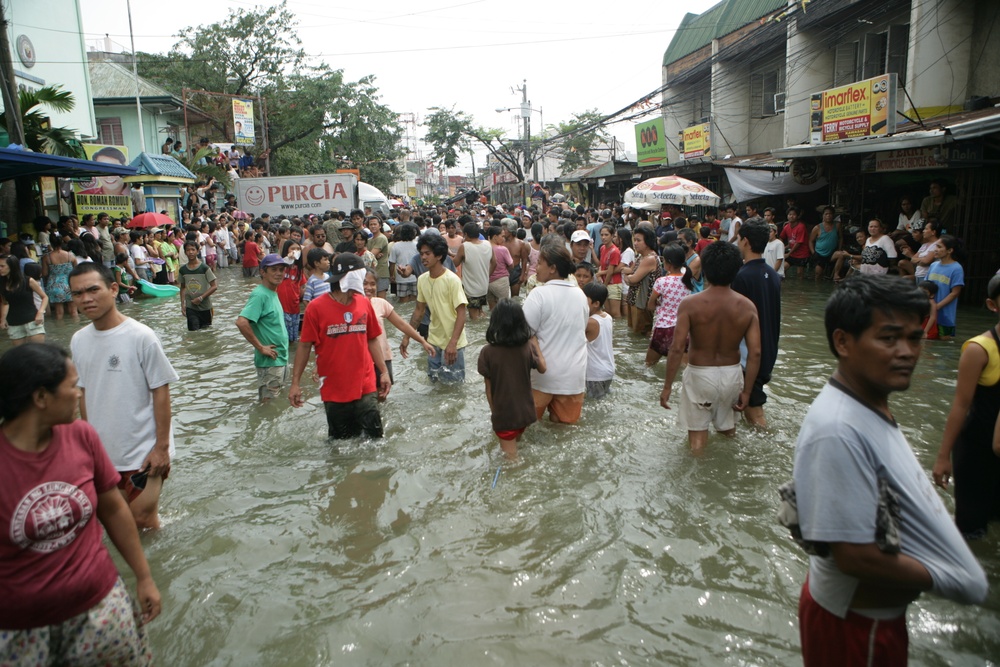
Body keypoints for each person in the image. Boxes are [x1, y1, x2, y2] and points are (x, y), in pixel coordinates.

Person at [788, 275, 987, 666]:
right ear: (843, 342)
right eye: (889, 338)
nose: (907, 351)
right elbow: (854, 557)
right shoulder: (837, 430)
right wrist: (953, 578)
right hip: (854, 626)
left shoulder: (870, 400)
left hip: (871, 619)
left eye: (914, 338)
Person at [0, 344, 161, 665]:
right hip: (19, 630)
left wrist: (143, 576)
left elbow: (114, 508)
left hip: (100, 609)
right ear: (40, 397)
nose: (79, 395)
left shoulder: (81, 437)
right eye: (72, 387)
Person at [69, 263, 178, 531]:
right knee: (120, 521)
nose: (86, 298)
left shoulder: (141, 336)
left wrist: (161, 448)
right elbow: (83, 393)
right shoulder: (78, 340)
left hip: (144, 449)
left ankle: (157, 568)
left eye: (93, 290)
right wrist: (87, 444)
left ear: (114, 288)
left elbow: (161, 391)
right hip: (105, 451)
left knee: (140, 518)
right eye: (78, 293)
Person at [660, 242, 760, 454]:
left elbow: (677, 348)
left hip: (700, 376)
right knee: (728, 434)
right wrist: (748, 391)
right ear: (736, 269)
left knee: (697, 441)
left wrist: (667, 386)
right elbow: (755, 353)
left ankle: (697, 483)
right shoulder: (747, 306)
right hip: (732, 375)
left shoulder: (690, 304)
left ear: (705, 268)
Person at [289, 254, 391, 438]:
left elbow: (372, 339)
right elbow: (304, 347)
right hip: (334, 388)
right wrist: (295, 383)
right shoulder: (316, 308)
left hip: (365, 383)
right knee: (340, 443)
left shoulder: (363, 303)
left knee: (375, 439)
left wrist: (383, 372)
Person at [932, 273, 1000, 539]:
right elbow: (960, 406)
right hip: (976, 452)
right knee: (972, 529)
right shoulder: (979, 349)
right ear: (992, 305)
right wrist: (942, 457)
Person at [523, 241, 589, 424]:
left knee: (528, 428)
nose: (536, 267)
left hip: (543, 376)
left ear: (552, 268)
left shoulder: (539, 294)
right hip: (573, 375)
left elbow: (524, 333)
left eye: (540, 263)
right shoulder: (580, 295)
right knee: (564, 433)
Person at [478, 298, 547, 459]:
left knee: (511, 460)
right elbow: (543, 369)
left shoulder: (487, 352)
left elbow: (489, 390)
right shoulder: (527, 347)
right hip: (526, 413)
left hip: (505, 416)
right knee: (518, 447)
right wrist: (534, 342)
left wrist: (496, 415)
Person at [732, 223, 782, 427]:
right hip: (769, 350)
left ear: (745, 241)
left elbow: (736, 322)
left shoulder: (742, 276)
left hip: (750, 355)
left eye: (739, 238)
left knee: (754, 413)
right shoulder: (773, 275)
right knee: (749, 407)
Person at [405, 233, 468, 384]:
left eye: (428, 253)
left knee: (453, 389)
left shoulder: (452, 280)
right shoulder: (422, 280)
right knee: (434, 384)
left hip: (453, 344)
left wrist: (453, 343)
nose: (423, 258)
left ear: (439, 255)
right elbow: (419, 311)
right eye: (421, 254)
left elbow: (461, 313)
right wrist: (407, 337)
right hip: (433, 342)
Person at [362, 269, 434, 385]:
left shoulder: (381, 303)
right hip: (362, 360)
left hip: (383, 357)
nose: (369, 288)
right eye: (364, 283)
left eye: (372, 284)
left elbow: (402, 324)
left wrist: (422, 341)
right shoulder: (352, 308)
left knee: (382, 395)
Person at [236, 254, 290, 402]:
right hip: (269, 363)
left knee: (276, 405)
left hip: (280, 360)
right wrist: (260, 347)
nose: (279, 273)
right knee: (268, 406)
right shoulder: (260, 295)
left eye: (281, 269)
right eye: (274, 270)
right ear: (263, 272)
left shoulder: (272, 292)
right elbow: (241, 322)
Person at [646, 243, 693, 367]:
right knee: (684, 369)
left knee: (648, 366)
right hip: (683, 329)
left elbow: (650, 306)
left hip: (663, 328)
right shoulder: (688, 279)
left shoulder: (661, 282)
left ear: (667, 263)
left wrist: (658, 304)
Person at [622, 226, 662, 336]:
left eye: (638, 240)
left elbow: (633, 279)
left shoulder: (649, 258)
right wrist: (629, 276)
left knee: (640, 335)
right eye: (634, 240)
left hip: (642, 304)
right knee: (635, 334)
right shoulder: (641, 257)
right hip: (635, 300)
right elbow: (631, 276)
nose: (635, 243)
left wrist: (628, 275)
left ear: (648, 241)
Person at [0, 254, 48, 345]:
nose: (0, 268)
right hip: (13, 323)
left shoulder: (28, 281)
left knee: (39, 352)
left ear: (12, 266)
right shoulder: (2, 284)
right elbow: (5, 303)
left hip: (32, 320)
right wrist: (3, 319)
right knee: (20, 355)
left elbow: (45, 297)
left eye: (2, 266)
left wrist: (40, 312)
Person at [926, 235, 964, 341]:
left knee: (944, 342)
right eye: (935, 246)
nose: (935, 250)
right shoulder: (933, 265)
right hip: (928, 314)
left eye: (939, 247)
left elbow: (955, 293)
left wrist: (937, 307)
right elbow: (925, 287)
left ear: (949, 250)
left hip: (945, 315)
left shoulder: (956, 268)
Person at [454, 221, 494, 320]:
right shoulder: (487, 244)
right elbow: (494, 262)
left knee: (474, 318)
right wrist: (487, 275)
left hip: (471, 289)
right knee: (480, 311)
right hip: (484, 286)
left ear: (466, 234)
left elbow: (454, 263)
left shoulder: (464, 247)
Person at [583, 282, 615, 399]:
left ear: (596, 303)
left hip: (594, 374)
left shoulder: (590, 323)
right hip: (607, 370)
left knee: (593, 405)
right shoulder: (607, 317)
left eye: (584, 300)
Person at [179, 241, 218, 331]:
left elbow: (214, 286)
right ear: (185, 252)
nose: (190, 252)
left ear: (197, 251)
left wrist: (201, 298)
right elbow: (183, 287)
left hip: (205, 306)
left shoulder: (204, 268)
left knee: (206, 332)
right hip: (190, 306)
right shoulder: (183, 270)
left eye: (193, 249)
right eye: (188, 250)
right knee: (193, 332)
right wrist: (182, 304)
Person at [809, 206, 841, 280]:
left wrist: (839, 248)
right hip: (819, 254)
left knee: (841, 255)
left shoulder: (838, 225)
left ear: (833, 215)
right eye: (826, 214)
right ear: (823, 215)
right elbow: (810, 241)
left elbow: (840, 238)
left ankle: (836, 275)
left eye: (830, 214)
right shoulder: (817, 228)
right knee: (818, 275)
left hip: (832, 254)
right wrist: (813, 253)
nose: (828, 216)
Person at [779, 206, 809, 279]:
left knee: (799, 274)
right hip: (792, 253)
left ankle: (799, 289)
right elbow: (781, 237)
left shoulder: (801, 227)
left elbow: (798, 243)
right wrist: (781, 247)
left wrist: (788, 254)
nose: (791, 216)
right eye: (789, 214)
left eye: (793, 214)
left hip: (802, 254)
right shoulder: (786, 226)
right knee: (782, 269)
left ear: (797, 216)